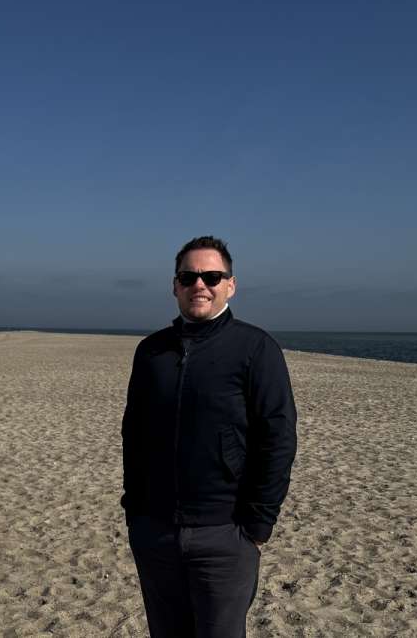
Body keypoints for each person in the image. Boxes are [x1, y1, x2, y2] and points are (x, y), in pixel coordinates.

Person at [121, 236, 297, 638]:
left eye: (212, 277)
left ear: (230, 285)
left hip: (225, 534)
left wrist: (257, 525)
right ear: (175, 286)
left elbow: (278, 439)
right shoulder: (151, 352)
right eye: (188, 277)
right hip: (155, 532)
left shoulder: (256, 348)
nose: (199, 285)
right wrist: (136, 511)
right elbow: (133, 432)